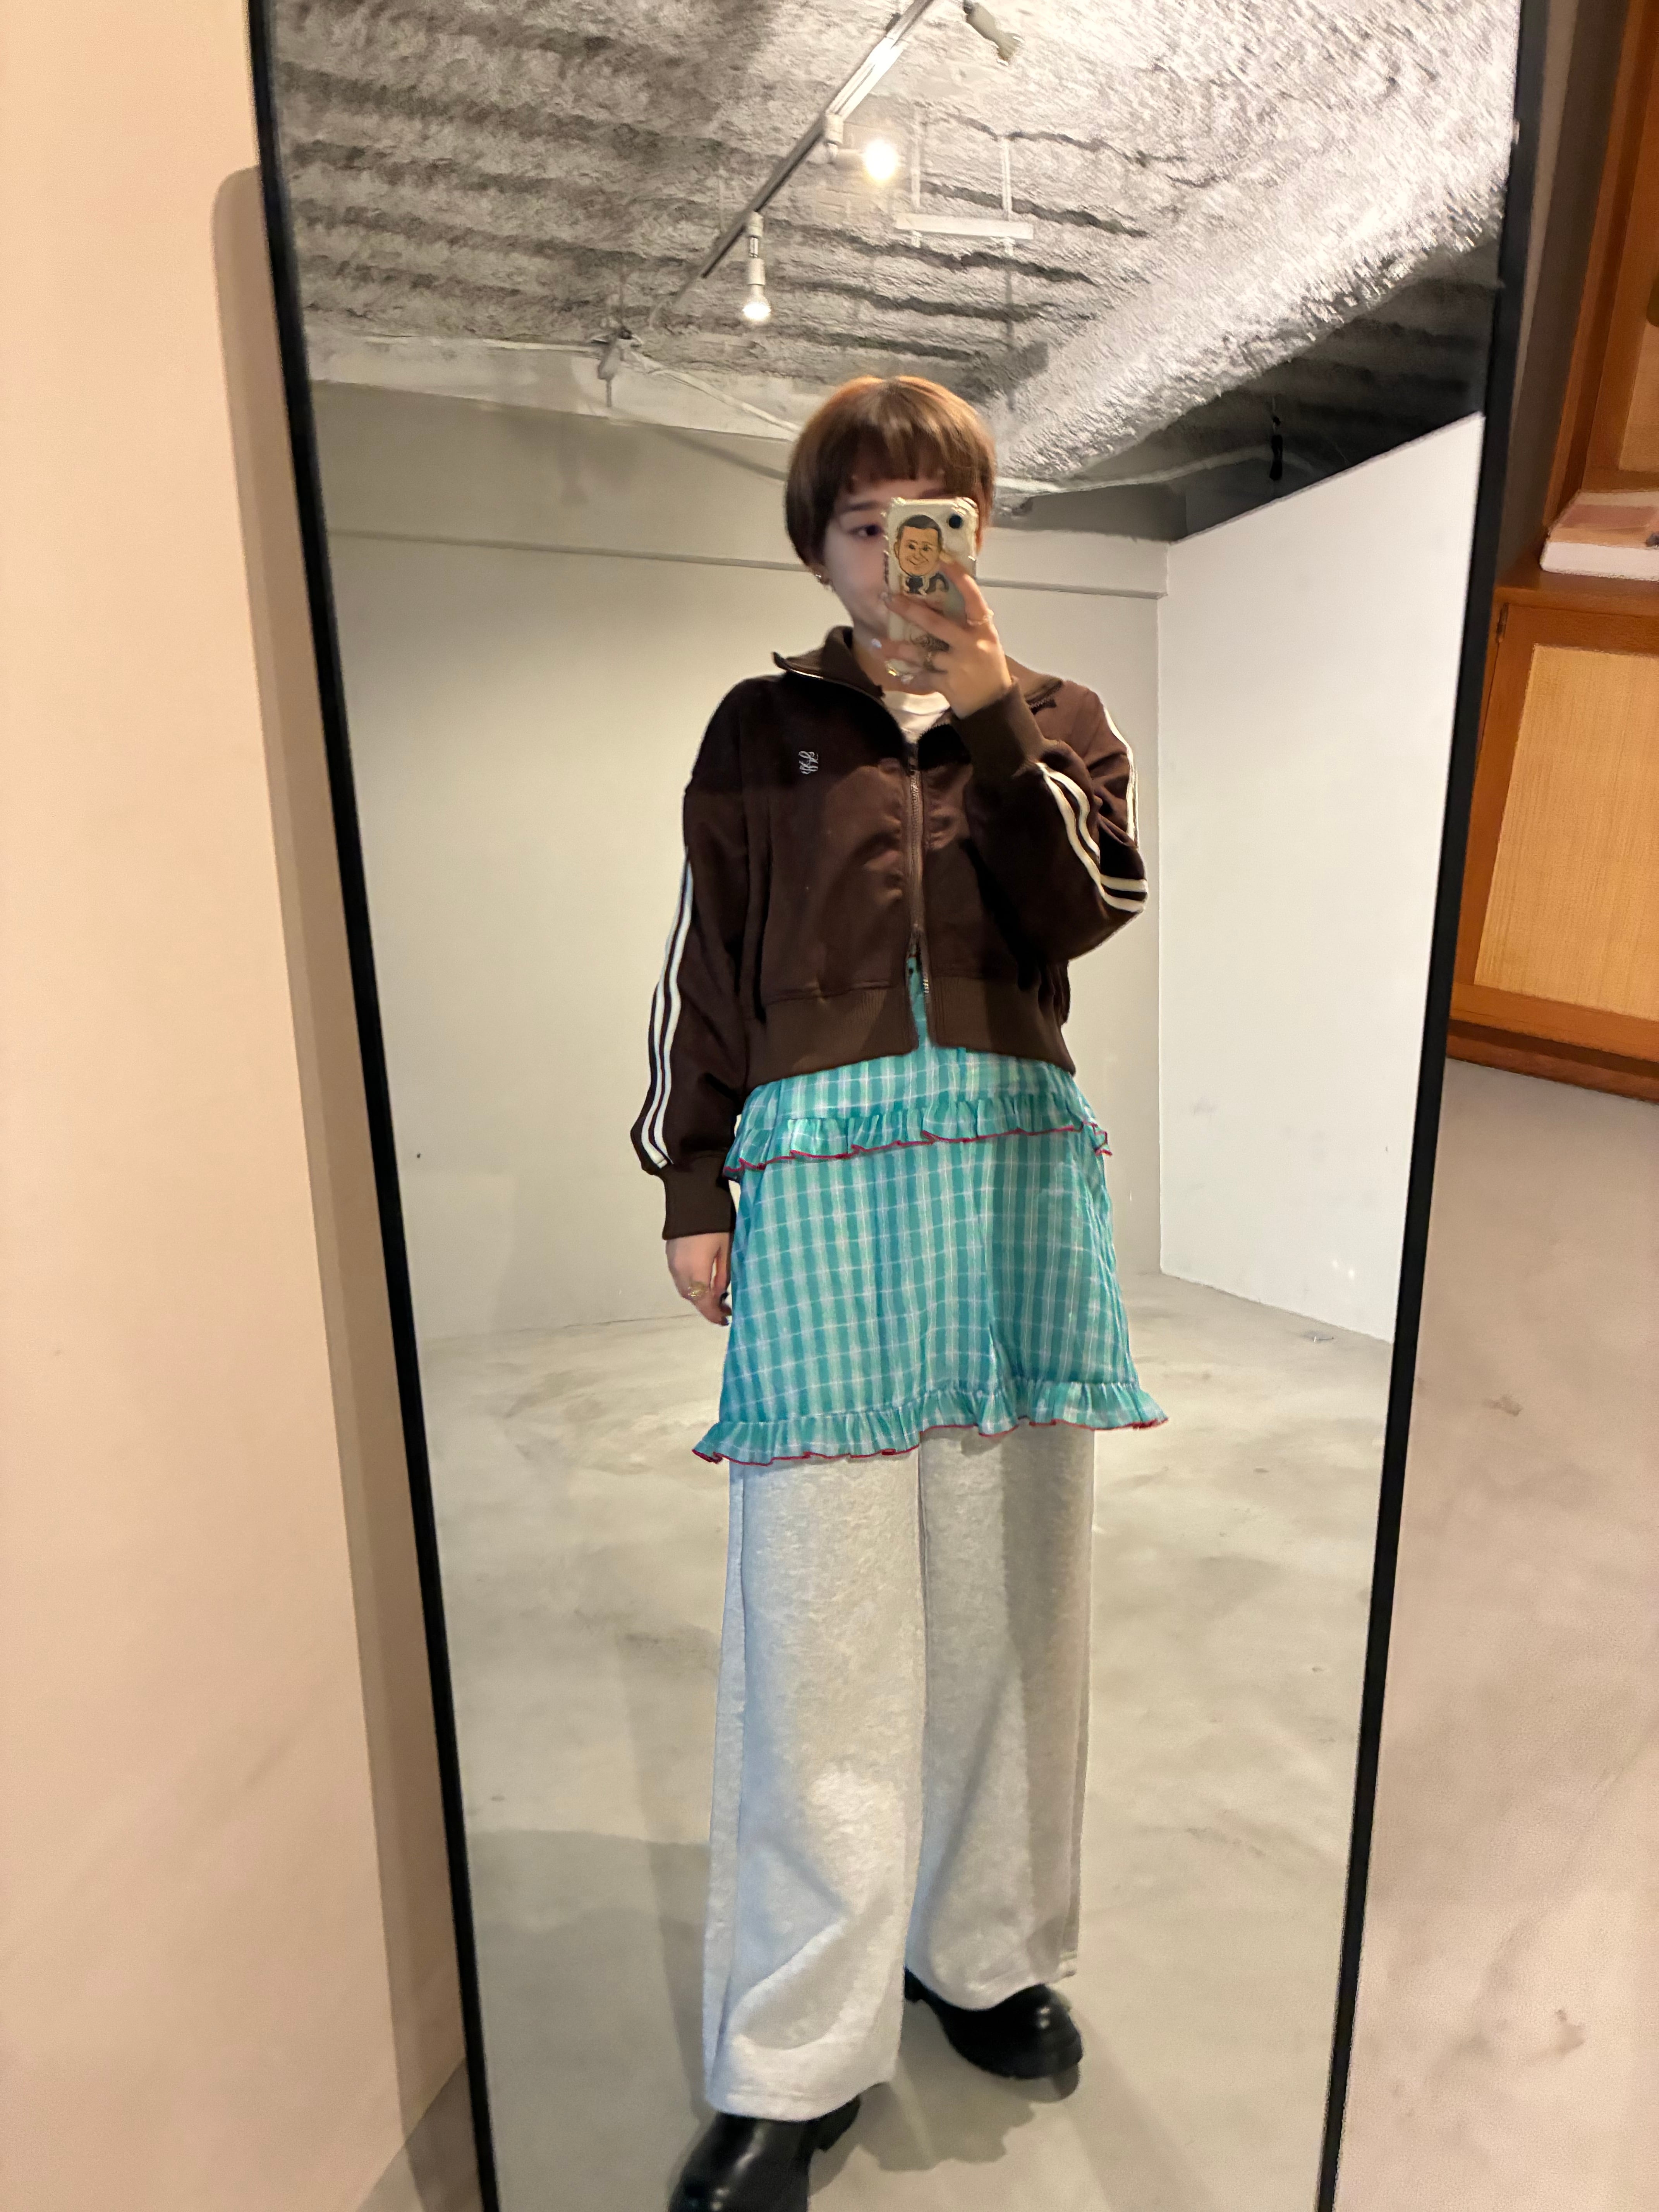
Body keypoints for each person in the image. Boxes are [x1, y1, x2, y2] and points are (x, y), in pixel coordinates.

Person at [631, 374, 1165, 2212]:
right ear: (820, 547)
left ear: (978, 534)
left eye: (930, 519)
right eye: (864, 523)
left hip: (1009, 1179)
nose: (896, 553)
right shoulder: (760, 728)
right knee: (822, 1627)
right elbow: (708, 966)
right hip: (822, 1187)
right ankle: (797, 2048)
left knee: (1011, 1603)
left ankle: (984, 1951)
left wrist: (996, 705)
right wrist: (696, 1180)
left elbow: (1088, 908)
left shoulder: (1060, 719)